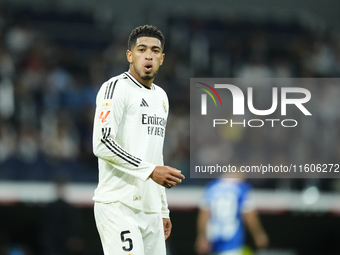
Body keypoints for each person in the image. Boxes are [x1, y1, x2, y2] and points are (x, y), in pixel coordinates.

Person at [92, 25, 185, 255]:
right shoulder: (116, 88)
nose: (148, 55)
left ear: (162, 59)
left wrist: (162, 209)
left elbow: (156, 153)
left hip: (150, 209)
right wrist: (150, 171)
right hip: (118, 205)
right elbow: (102, 143)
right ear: (129, 55)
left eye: (155, 51)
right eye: (142, 49)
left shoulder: (161, 97)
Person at [195, 175, 269, 255]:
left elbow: (204, 215)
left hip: (213, 237)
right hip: (232, 239)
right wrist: (258, 235)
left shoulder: (211, 187)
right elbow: (249, 216)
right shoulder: (241, 188)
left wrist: (202, 237)